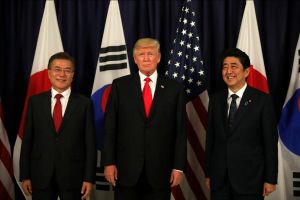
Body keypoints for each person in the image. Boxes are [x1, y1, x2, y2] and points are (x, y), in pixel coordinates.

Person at [101, 38, 186, 200]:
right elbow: (110, 127)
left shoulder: (175, 89)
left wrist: (178, 167)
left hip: (161, 171)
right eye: (141, 54)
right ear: (134, 59)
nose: (146, 58)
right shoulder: (120, 86)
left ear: (159, 57)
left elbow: (180, 131)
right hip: (125, 170)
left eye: (150, 54)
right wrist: (108, 162)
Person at [20, 52, 96, 200]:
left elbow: (90, 144)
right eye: (57, 69)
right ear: (49, 73)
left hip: (73, 176)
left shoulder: (84, 103)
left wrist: (89, 178)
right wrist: (25, 175)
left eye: (67, 70)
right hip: (41, 175)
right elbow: (28, 140)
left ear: (73, 75)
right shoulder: (35, 102)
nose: (62, 74)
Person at [204, 48, 278, 200]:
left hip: (250, 180)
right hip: (219, 181)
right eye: (225, 67)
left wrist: (270, 178)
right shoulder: (216, 100)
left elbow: (270, 143)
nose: (228, 71)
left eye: (234, 66)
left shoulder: (262, 101)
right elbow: (211, 140)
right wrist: (209, 173)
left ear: (246, 72)